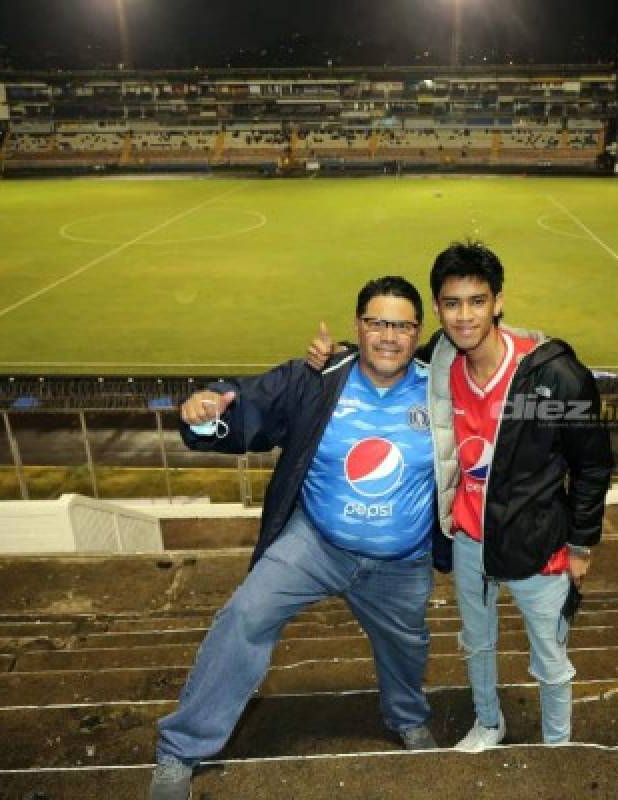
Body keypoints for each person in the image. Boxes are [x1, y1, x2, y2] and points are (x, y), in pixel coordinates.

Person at [308, 242, 614, 750]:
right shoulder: (441, 359)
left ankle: (560, 746)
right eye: (452, 303)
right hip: (468, 537)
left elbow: (593, 464)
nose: (465, 316)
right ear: (438, 307)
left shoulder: (554, 377)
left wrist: (581, 545)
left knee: (550, 658)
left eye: (477, 301)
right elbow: (388, 357)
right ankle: (489, 722)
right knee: (476, 643)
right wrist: (340, 352)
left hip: (539, 546)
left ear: (497, 302)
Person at [151, 276, 443, 800]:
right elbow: (246, 406)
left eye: (402, 325)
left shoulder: (440, 389)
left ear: (418, 332)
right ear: (359, 326)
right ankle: (181, 748)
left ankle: (407, 719)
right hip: (315, 544)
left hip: (401, 563)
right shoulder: (317, 377)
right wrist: (207, 409)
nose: (389, 336)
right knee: (244, 617)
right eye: (378, 322)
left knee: (406, 648)